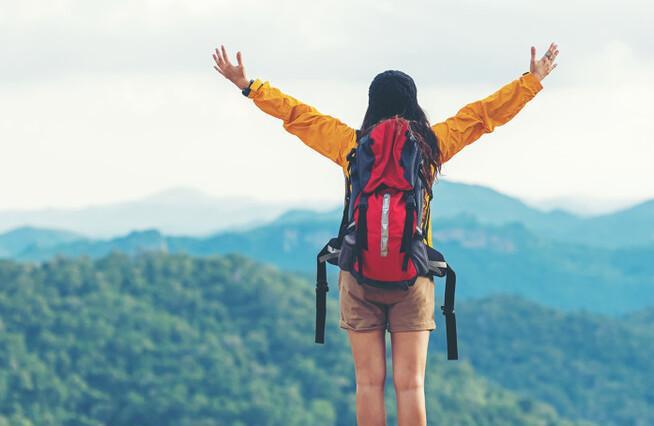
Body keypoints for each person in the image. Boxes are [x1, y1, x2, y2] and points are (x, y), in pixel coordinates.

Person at [211, 43, 559, 425]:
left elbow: (299, 116)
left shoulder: (351, 145)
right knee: (410, 385)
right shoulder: (430, 146)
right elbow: (482, 116)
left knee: (368, 383)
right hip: (413, 275)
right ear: (413, 104)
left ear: (371, 104)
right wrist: (532, 81)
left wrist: (248, 85)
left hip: (358, 274)